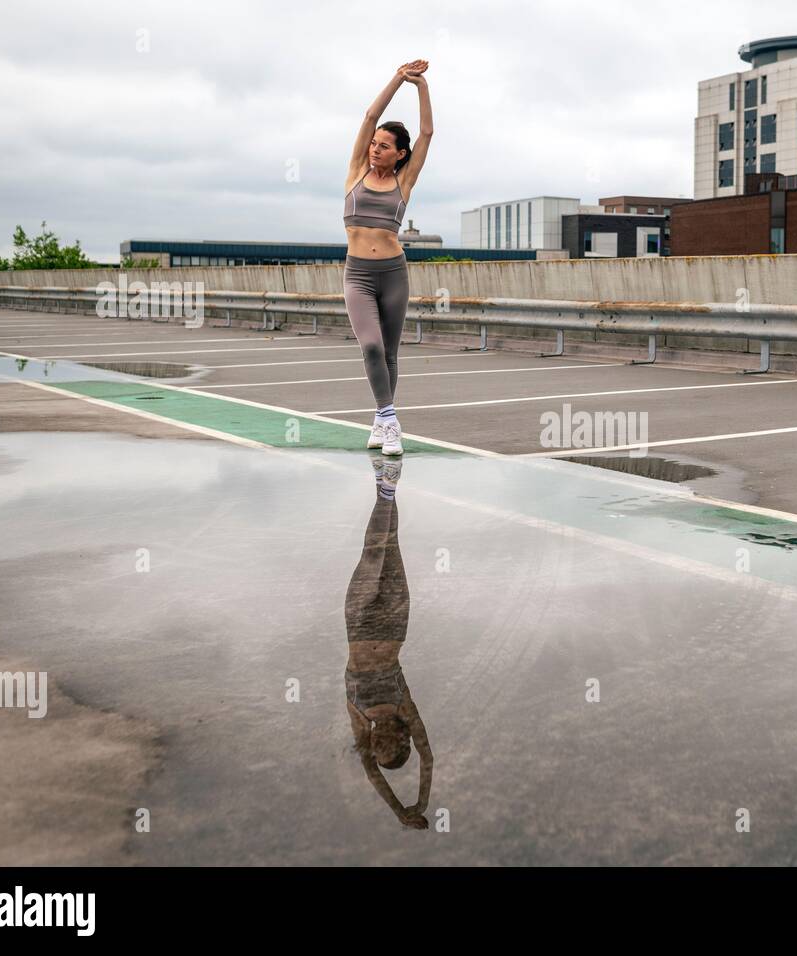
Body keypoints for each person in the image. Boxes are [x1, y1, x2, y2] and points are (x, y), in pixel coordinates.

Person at [342, 59, 434, 455]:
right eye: (374, 143)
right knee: (372, 347)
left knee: (391, 353)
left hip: (394, 273)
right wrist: (398, 78)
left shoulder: (404, 179)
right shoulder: (357, 170)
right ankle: (389, 419)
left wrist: (421, 86)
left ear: (399, 155)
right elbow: (371, 114)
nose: (375, 148)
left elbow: (428, 131)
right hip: (358, 274)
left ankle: (383, 420)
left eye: (383, 146)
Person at [344, 459, 433, 828]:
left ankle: (385, 487)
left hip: (359, 620)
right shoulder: (404, 709)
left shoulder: (360, 721)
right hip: (396, 620)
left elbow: (372, 774)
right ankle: (386, 484)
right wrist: (420, 802)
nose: (377, 753)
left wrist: (398, 812)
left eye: (376, 754)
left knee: (372, 549)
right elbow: (428, 759)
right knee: (388, 543)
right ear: (401, 742)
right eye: (387, 753)